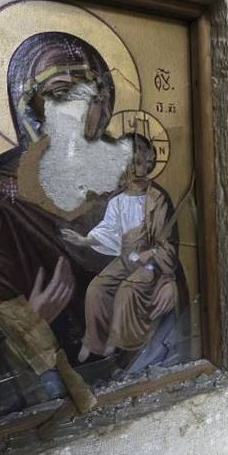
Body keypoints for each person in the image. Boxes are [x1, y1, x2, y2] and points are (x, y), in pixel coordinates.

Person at [0, 32, 140, 428]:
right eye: (63, 93)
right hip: (46, 394)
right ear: (28, 107)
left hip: (135, 366)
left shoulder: (130, 191)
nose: (84, 110)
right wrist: (31, 318)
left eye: (94, 95)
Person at [61, 135, 184, 364]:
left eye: (138, 163)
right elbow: (109, 229)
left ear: (149, 164)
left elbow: (167, 243)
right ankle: (93, 341)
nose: (134, 170)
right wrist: (85, 241)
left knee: (126, 290)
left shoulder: (157, 200)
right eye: (128, 163)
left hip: (150, 261)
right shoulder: (118, 200)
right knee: (97, 288)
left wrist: (154, 258)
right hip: (126, 257)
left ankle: (116, 341)